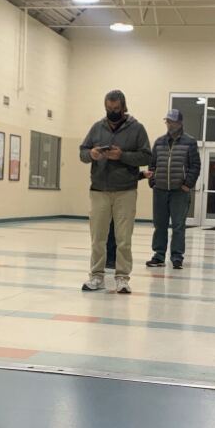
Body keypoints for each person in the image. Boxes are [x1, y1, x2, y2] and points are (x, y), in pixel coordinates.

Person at [79, 90, 152, 293]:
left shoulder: (137, 129)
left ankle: (122, 277)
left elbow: (147, 156)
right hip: (99, 190)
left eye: (116, 109)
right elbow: (82, 153)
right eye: (109, 109)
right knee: (98, 237)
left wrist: (122, 156)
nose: (112, 112)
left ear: (123, 107)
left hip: (125, 191)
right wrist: (91, 154)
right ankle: (96, 276)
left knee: (123, 238)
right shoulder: (97, 127)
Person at [146, 109, 201, 269]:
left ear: (180, 123)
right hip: (160, 190)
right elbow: (152, 163)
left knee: (178, 225)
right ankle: (159, 256)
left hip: (179, 191)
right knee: (160, 225)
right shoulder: (159, 142)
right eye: (168, 121)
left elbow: (195, 166)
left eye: (172, 121)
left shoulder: (189, 142)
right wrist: (153, 182)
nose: (169, 124)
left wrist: (187, 184)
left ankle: (177, 257)